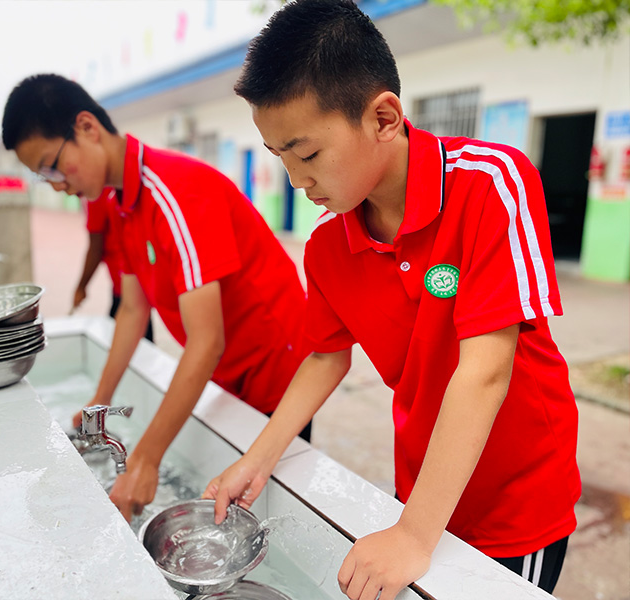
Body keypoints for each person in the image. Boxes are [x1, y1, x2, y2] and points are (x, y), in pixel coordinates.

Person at [202, 2, 580, 599]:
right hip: (424, 482)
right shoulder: (328, 246)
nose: (297, 181)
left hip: (514, 498)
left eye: (308, 155)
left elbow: (485, 370)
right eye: (281, 159)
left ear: (383, 117)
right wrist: (258, 457)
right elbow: (326, 356)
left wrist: (412, 533)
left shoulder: (489, 183)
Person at [1, 73, 308, 522]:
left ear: (86, 127)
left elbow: (206, 341)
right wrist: (99, 401)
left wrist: (146, 459)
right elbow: (132, 308)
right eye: (43, 177)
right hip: (229, 367)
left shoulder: (174, 192)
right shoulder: (122, 203)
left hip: (278, 362)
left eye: (52, 167)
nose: (57, 185)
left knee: (273, 500)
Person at [73, 186, 153, 342]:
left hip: (127, 284)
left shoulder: (96, 193)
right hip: (132, 281)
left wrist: (81, 287)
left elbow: (95, 247)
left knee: (132, 339)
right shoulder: (110, 195)